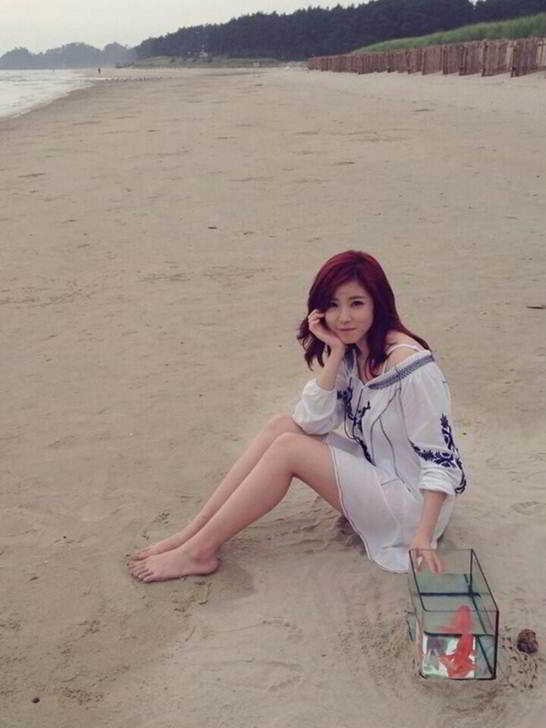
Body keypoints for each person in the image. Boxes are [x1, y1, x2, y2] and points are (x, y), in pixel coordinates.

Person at [128, 250, 466, 583]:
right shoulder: (355, 350)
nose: (343, 317)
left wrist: (423, 536)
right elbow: (310, 422)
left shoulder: (411, 366)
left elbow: (442, 459)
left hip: (415, 511)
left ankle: (198, 551)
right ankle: (191, 532)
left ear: (378, 303)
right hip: (381, 475)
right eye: (332, 305)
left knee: (289, 450)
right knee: (282, 427)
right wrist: (335, 353)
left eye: (356, 303)